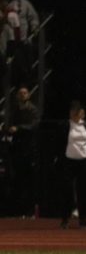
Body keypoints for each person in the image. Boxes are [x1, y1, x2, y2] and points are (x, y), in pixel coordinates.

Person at [3, 86, 39, 217]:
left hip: (29, 150)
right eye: (20, 93)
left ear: (29, 95)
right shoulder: (14, 111)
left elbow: (34, 125)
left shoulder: (33, 109)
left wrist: (18, 128)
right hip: (17, 149)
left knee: (29, 180)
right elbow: (8, 125)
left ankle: (29, 211)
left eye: (25, 92)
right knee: (17, 180)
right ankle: (18, 211)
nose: (23, 95)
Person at [58, 100, 86, 228]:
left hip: (84, 161)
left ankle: (83, 220)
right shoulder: (65, 125)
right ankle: (65, 219)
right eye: (72, 112)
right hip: (69, 161)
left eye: (76, 112)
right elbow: (59, 142)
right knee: (67, 191)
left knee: (83, 191)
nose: (73, 114)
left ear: (81, 113)